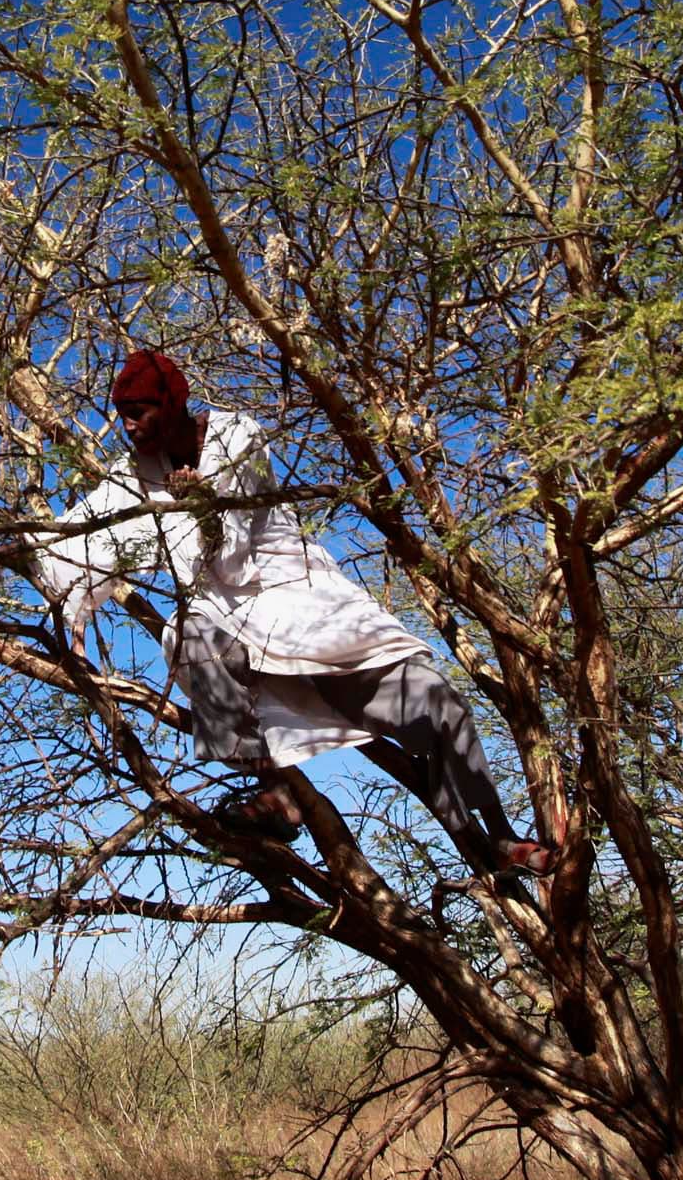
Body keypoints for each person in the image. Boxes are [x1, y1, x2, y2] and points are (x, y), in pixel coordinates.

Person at [33, 348, 544, 880]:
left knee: (432, 699)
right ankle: (274, 793)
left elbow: (233, 557)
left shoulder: (237, 438)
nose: (128, 427)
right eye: (123, 415)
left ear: (173, 404)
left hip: (308, 609)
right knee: (190, 636)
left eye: (139, 412)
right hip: (230, 626)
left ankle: (497, 834)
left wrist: (205, 506)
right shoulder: (133, 476)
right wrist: (38, 572)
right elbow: (79, 539)